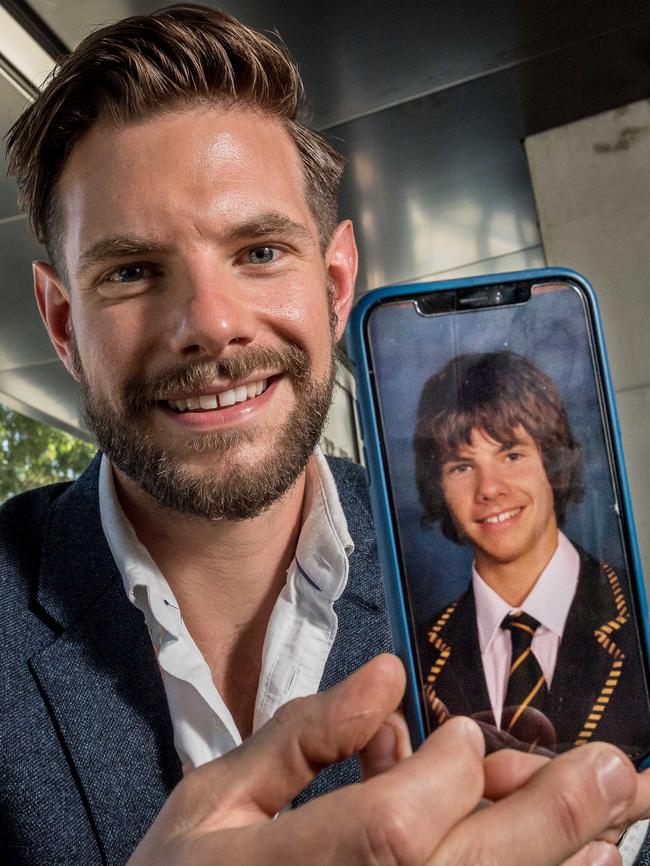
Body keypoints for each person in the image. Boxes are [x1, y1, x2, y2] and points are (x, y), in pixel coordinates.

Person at [2, 5, 650, 864]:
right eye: (130, 272)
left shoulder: (491, 578)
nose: (211, 324)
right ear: (60, 323)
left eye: (261, 251)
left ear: (337, 283)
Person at [414, 351, 649, 756]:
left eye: (512, 455)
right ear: (439, 487)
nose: (489, 487)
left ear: (553, 463)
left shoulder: (641, 613)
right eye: (461, 467)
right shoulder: (414, 657)